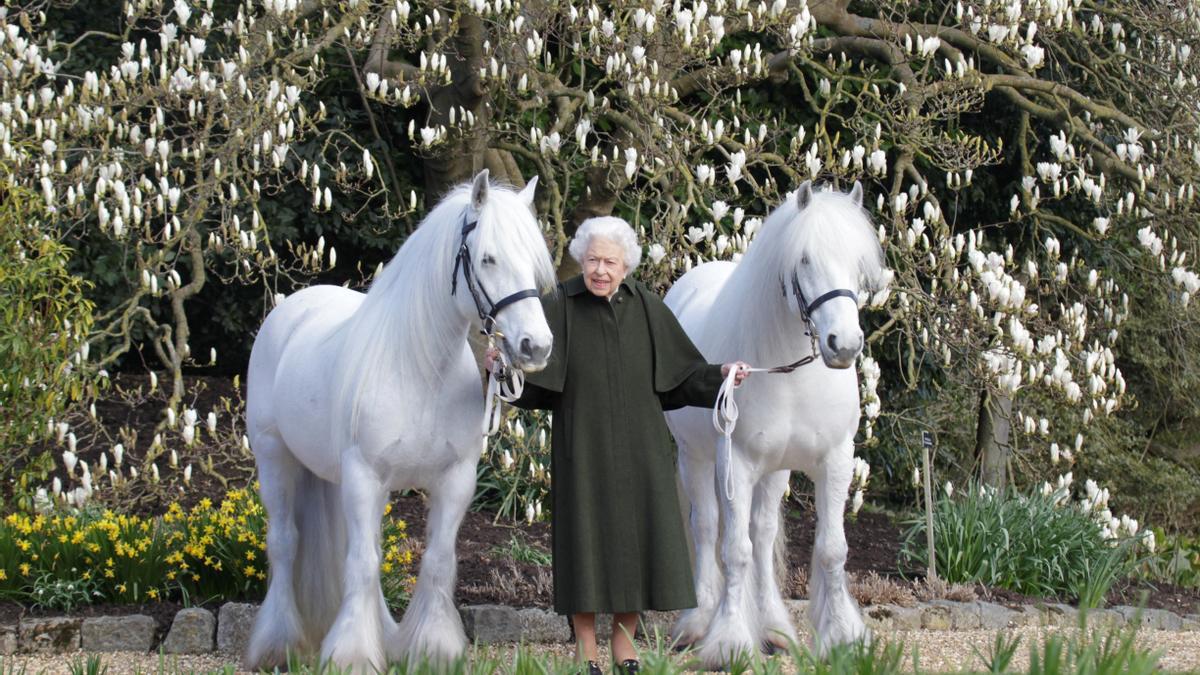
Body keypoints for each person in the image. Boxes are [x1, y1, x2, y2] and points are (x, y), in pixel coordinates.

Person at [487, 216, 748, 674]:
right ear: (580, 261)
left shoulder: (646, 306)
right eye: (592, 260)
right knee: (583, 544)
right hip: (581, 447)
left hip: (641, 449)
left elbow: (681, 377)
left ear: (626, 265)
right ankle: (585, 647)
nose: (600, 270)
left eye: (609, 261)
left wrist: (722, 375)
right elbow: (534, 384)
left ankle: (624, 645)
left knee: (638, 545)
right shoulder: (560, 306)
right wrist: (501, 369)